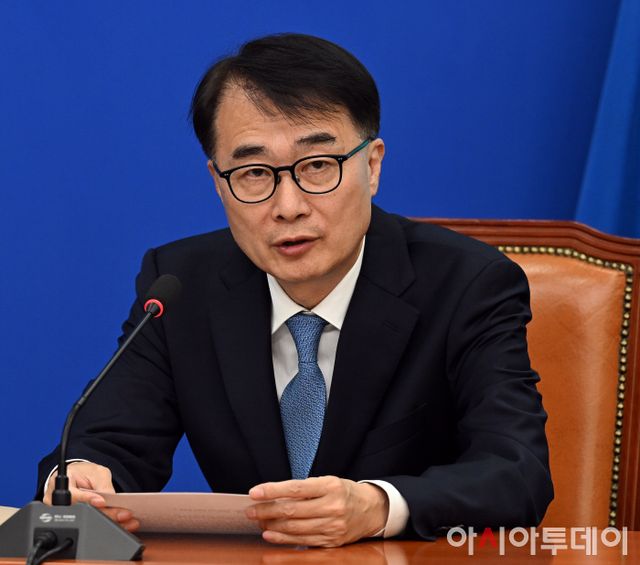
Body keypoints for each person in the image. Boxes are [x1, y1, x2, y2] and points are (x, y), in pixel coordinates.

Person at [38, 33, 553, 547]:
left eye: (318, 166)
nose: (288, 206)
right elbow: (106, 441)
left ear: (372, 165)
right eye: (254, 172)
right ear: (218, 182)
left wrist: (379, 506)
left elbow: (517, 471)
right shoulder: (180, 285)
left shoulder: (467, 284)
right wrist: (82, 476)